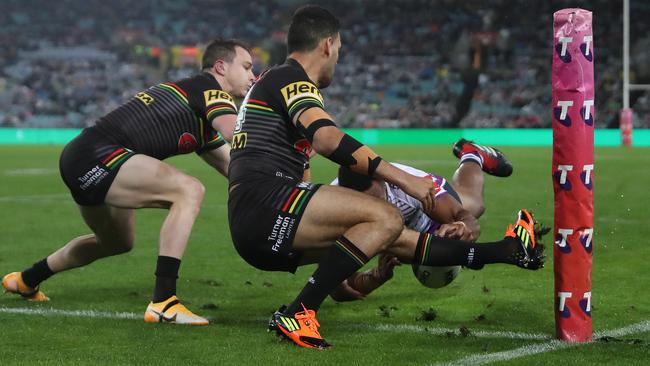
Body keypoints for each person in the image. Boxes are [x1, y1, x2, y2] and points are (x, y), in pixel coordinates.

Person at [227, 5, 544, 349]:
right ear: (328, 45)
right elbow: (327, 138)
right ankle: (300, 312)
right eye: (340, 51)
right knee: (386, 218)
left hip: (259, 224)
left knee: (391, 235)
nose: (337, 60)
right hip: (266, 205)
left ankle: (508, 251)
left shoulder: (275, 81)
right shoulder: (289, 77)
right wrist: (403, 179)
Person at [2, 39, 256, 325]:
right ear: (221, 67)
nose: (252, 76)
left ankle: (26, 279)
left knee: (117, 242)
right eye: (246, 67)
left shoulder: (201, 114)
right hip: (98, 156)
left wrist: (280, 190)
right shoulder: (209, 88)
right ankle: (164, 301)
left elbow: (236, 167)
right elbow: (237, 134)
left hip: (91, 157)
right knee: (189, 190)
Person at [329, 139, 529, 300]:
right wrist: (377, 276)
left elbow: (467, 222)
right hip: (394, 229)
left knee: (472, 205)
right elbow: (340, 288)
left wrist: (461, 227)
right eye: (365, 205)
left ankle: (471, 154)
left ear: (383, 180)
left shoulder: (410, 186)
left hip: (424, 210)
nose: (375, 209)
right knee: (410, 256)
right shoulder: (335, 209)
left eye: (377, 200)